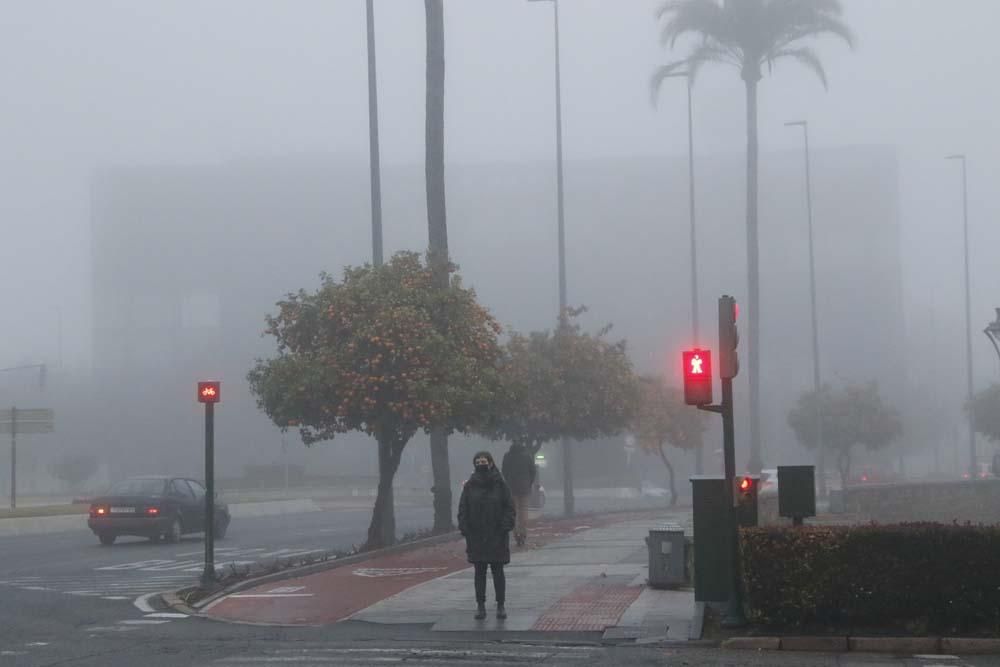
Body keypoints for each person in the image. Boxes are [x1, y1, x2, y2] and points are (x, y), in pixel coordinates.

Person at [457, 451, 515, 620]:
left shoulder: (501, 485)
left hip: (497, 535)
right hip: (476, 536)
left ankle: (500, 605)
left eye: (484, 461)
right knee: (479, 572)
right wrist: (465, 527)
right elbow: (463, 508)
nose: (481, 464)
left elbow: (509, 507)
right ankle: (480, 606)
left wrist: (505, 526)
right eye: (478, 461)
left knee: (498, 571)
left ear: (491, 463)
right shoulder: (469, 486)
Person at [501, 442, 536, 546]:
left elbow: (504, 470)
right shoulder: (527, 456)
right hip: (524, 487)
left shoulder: (507, 456)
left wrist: (508, 481)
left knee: (513, 512)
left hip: (511, 488)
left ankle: (516, 534)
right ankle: (523, 534)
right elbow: (532, 471)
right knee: (523, 512)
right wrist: (529, 483)